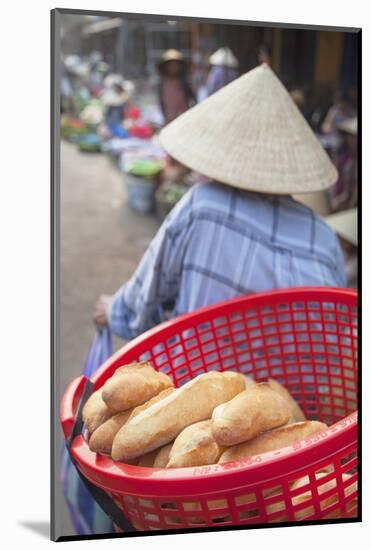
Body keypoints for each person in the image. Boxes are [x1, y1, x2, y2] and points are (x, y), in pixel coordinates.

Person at [93, 64, 346, 339]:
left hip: (200, 378)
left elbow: (145, 298)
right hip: (301, 382)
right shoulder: (323, 236)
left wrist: (114, 311)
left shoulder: (204, 207)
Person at [157, 49, 195, 124]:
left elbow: (192, 99)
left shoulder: (184, 82)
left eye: (176, 64)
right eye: (171, 65)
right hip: (169, 119)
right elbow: (162, 102)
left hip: (184, 117)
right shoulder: (162, 84)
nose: (173, 67)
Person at [328, 117, 358, 212]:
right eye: (349, 136)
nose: (350, 140)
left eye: (353, 137)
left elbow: (351, 194)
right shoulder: (344, 155)